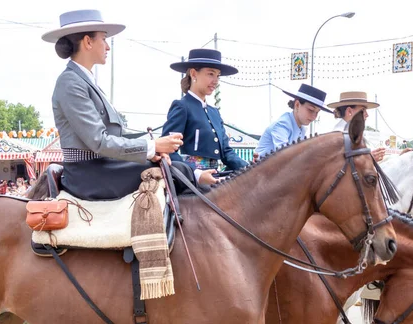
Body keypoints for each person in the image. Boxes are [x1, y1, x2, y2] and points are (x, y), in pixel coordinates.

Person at [42, 9, 184, 200]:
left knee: (176, 168)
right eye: (104, 39)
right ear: (88, 42)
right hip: (88, 174)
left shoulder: (83, 80)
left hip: (102, 166)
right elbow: (99, 141)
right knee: (177, 172)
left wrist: (155, 146)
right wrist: (151, 146)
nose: (107, 47)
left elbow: (115, 133)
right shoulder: (70, 82)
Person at [162, 49, 247, 182]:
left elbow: (227, 153)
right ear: (194, 73)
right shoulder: (182, 106)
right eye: (211, 74)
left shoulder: (214, 112)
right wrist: (195, 174)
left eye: (218, 76)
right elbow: (167, 150)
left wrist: (251, 168)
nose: (216, 81)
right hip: (190, 181)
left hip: (215, 178)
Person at [255, 84, 333, 157]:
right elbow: (285, 155)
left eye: (317, 112)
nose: (314, 117)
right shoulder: (282, 124)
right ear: (297, 105)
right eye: (311, 110)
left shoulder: (301, 128)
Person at [327, 91, 386, 162]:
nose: (367, 115)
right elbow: (340, 165)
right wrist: (368, 159)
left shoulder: (349, 133)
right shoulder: (339, 135)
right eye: (363, 110)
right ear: (349, 111)